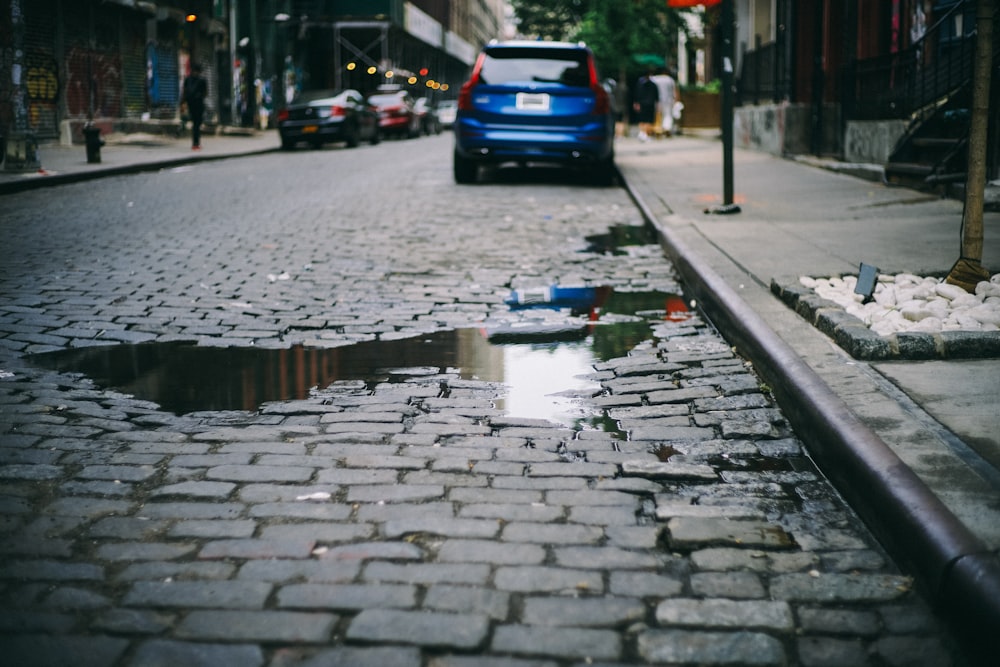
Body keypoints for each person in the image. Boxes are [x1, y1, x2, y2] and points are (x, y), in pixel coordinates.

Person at [182, 63, 208, 150]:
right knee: (197, 124)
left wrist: (183, 103)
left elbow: (184, 92)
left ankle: (195, 143)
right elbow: (205, 93)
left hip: (191, 104)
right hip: (198, 104)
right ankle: (196, 143)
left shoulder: (187, 79)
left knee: (195, 124)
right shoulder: (201, 80)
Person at [632, 70, 658, 142]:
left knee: (642, 119)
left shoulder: (640, 84)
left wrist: (636, 103)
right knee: (649, 120)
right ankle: (647, 134)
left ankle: (642, 132)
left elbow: (637, 94)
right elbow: (656, 97)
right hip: (650, 104)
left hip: (642, 104)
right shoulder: (653, 85)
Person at [650, 67, 677, 137]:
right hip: (669, 100)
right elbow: (675, 91)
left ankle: (658, 129)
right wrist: (676, 100)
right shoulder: (670, 79)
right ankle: (667, 128)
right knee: (668, 115)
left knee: (658, 115)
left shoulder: (654, 79)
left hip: (657, 100)